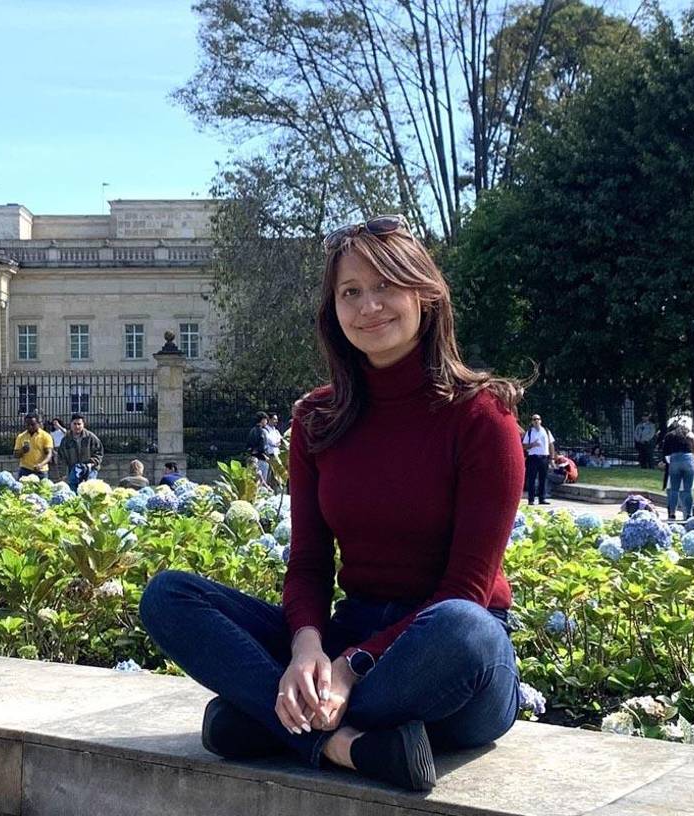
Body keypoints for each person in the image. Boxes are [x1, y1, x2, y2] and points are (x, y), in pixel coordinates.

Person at [140, 213, 523, 792]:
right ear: (333, 310)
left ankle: (274, 725)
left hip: (448, 658)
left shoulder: (481, 416)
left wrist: (350, 668)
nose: (369, 306)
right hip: (354, 627)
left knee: (465, 627)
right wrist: (307, 648)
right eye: (350, 292)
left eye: (386, 285)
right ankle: (349, 746)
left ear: (425, 294)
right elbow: (311, 564)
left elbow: (465, 590)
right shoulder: (317, 418)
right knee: (169, 596)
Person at [661, 419, 694, 521]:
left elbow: (665, 453)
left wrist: (667, 462)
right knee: (688, 489)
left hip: (675, 460)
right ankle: (689, 514)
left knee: (674, 489)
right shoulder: (689, 434)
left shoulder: (669, 435)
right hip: (688, 459)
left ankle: (672, 514)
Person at [58, 413, 103, 491]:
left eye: (79, 424)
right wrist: (63, 475)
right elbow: (61, 458)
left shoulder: (91, 437)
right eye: (74, 424)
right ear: (71, 424)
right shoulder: (66, 440)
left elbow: (99, 452)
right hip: (73, 471)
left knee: (88, 493)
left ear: (83, 424)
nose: (77, 426)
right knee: (74, 494)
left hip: (90, 470)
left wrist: (92, 463)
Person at [522, 414, 555, 505]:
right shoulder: (529, 432)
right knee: (531, 479)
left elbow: (551, 445)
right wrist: (532, 444)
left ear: (541, 421)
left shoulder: (546, 431)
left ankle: (542, 499)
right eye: (534, 419)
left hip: (544, 457)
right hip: (533, 458)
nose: (536, 421)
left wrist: (552, 458)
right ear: (532, 422)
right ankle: (531, 499)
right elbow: (524, 446)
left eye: (538, 419)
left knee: (543, 479)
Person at [13, 413, 54, 479]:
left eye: (33, 424)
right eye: (27, 424)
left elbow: (49, 455)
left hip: (41, 471)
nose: (30, 427)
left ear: (38, 423)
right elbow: (15, 454)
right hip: (25, 470)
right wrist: (22, 451)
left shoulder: (46, 436)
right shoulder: (21, 436)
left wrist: (41, 464)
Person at [247, 412, 271, 484]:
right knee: (262, 481)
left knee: (254, 481)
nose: (266, 421)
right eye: (266, 419)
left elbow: (248, 446)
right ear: (262, 420)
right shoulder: (262, 431)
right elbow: (262, 446)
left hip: (253, 459)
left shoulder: (252, 430)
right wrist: (264, 455)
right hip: (262, 458)